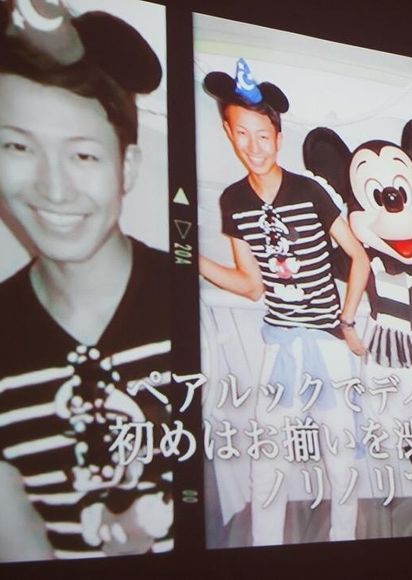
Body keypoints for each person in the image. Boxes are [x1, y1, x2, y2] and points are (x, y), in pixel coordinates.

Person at [0, 3, 172, 561]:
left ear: (128, 167)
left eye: (82, 154)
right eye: (17, 146)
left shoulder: (191, 302)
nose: (53, 189)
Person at [200, 59, 370, 545]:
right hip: (280, 346)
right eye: (242, 134)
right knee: (266, 460)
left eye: (263, 135)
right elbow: (251, 285)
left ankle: (344, 544)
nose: (254, 146)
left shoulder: (310, 191)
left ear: (278, 136)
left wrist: (347, 321)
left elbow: (360, 258)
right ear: (228, 132)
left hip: (328, 344)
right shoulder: (233, 201)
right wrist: (191, 260)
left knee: (341, 460)